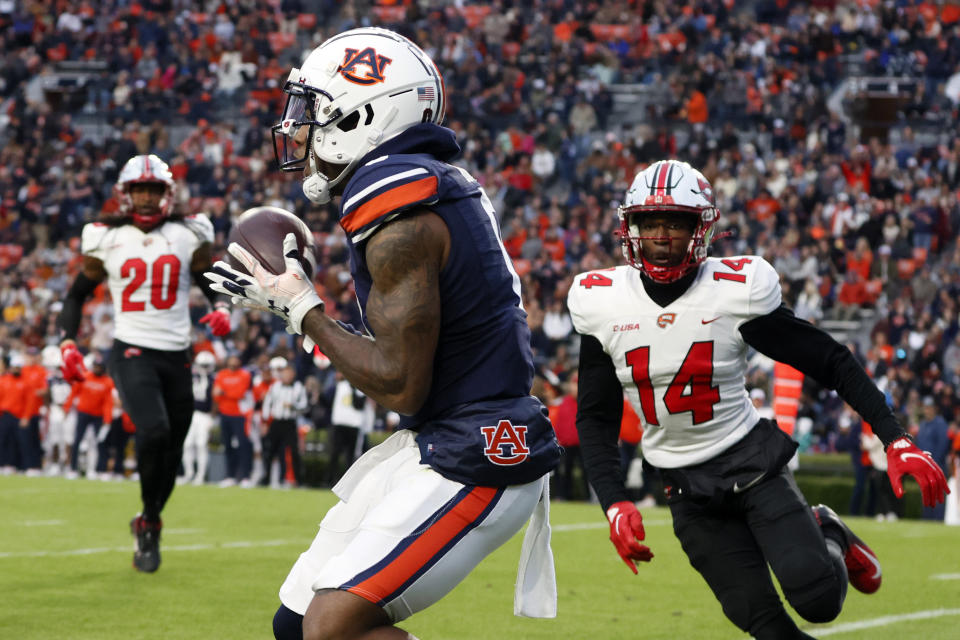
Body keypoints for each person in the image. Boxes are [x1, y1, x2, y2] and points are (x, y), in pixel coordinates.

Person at [206, 27, 561, 640]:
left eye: (312, 111)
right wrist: (302, 312)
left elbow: (399, 382)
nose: (298, 130)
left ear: (362, 116)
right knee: (294, 625)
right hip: (440, 435)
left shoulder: (396, 198)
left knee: (331, 629)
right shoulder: (422, 181)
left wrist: (300, 309)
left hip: (476, 449)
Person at [566, 159, 950, 640]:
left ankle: (828, 531)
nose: (662, 236)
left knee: (818, 600)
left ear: (701, 229)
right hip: (683, 483)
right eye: (652, 223)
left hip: (750, 461)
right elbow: (595, 416)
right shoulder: (601, 301)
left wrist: (895, 438)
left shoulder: (735, 292)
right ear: (631, 228)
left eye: (676, 223)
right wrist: (614, 502)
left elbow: (829, 360)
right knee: (764, 624)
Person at [56, 153, 233, 573]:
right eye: (141, 190)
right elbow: (77, 293)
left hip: (178, 353)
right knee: (153, 431)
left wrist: (222, 304)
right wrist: (67, 342)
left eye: (155, 190)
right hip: (132, 347)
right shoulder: (105, 236)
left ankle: (149, 518)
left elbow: (207, 276)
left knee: (171, 450)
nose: (148, 198)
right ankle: (150, 520)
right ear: (127, 193)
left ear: (167, 193)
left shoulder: (190, 231)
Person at [261, 361, 308, 488]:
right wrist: (265, 422)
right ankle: (266, 479)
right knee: (270, 450)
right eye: (284, 373)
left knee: (293, 452)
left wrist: (293, 406)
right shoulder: (275, 386)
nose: (286, 376)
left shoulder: (299, 387)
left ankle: (298, 481)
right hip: (276, 421)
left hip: (290, 423)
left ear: (293, 374)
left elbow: (304, 406)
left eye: (289, 373)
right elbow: (267, 404)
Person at [324, 371, 374, 487]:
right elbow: (326, 399)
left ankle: (348, 484)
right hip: (339, 423)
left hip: (353, 425)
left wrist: (353, 389)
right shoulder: (339, 385)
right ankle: (330, 480)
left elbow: (358, 405)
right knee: (334, 453)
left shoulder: (360, 389)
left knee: (350, 455)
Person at [212, 354, 253, 487]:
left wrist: (224, 392)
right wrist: (224, 393)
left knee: (243, 445)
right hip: (225, 414)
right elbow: (215, 394)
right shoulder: (221, 374)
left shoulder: (244, 375)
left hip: (240, 415)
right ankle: (230, 476)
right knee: (227, 445)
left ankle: (245, 476)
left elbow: (240, 393)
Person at [181, 350, 217, 485]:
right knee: (187, 444)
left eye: (207, 365)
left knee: (201, 444)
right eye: (203, 365)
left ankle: (200, 475)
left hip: (205, 415)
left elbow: (215, 399)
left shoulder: (214, 379)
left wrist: (212, 417)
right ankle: (189, 473)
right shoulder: (191, 377)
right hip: (191, 413)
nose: (205, 368)